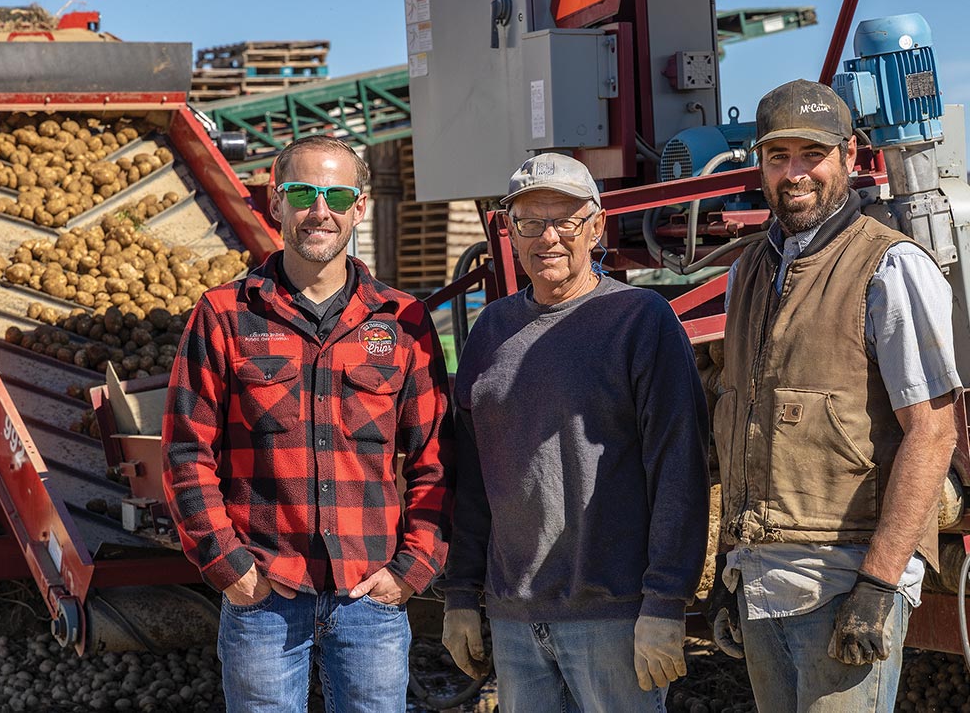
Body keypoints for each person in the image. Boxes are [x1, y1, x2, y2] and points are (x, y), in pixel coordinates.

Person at [162, 135, 454, 713]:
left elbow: (437, 459)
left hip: (371, 596)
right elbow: (184, 453)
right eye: (302, 192)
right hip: (263, 595)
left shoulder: (403, 321)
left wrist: (414, 568)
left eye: (337, 195)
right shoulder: (224, 314)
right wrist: (229, 567)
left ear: (359, 207)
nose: (320, 211)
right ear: (276, 203)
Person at [709, 78, 961, 711]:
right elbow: (739, 425)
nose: (794, 173)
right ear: (759, 165)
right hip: (761, 576)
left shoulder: (890, 266)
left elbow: (934, 431)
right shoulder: (748, 271)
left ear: (850, 156)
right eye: (778, 157)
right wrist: (725, 570)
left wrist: (878, 584)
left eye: (811, 155)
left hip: (843, 582)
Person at [439, 152, 710, 712]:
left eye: (565, 220)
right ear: (510, 234)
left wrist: (665, 602)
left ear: (596, 226)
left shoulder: (640, 319)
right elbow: (470, 476)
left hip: (614, 615)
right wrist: (461, 594)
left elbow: (678, 470)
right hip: (515, 619)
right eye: (530, 222)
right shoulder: (491, 329)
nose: (548, 237)